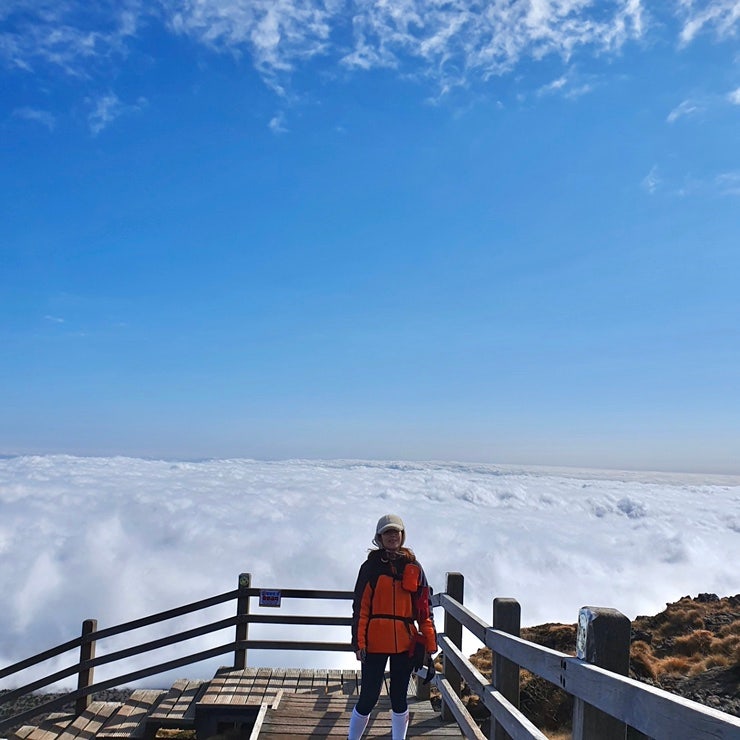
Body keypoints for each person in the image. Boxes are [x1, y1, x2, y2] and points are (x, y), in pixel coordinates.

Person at [348, 514, 437, 740]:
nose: (392, 536)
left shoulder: (414, 567)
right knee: (368, 697)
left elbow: (424, 609)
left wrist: (430, 645)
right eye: (387, 532)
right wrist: (358, 643)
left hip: (404, 644)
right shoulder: (371, 568)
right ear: (379, 537)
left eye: (395, 532)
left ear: (402, 535)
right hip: (374, 642)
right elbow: (361, 608)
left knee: (399, 698)